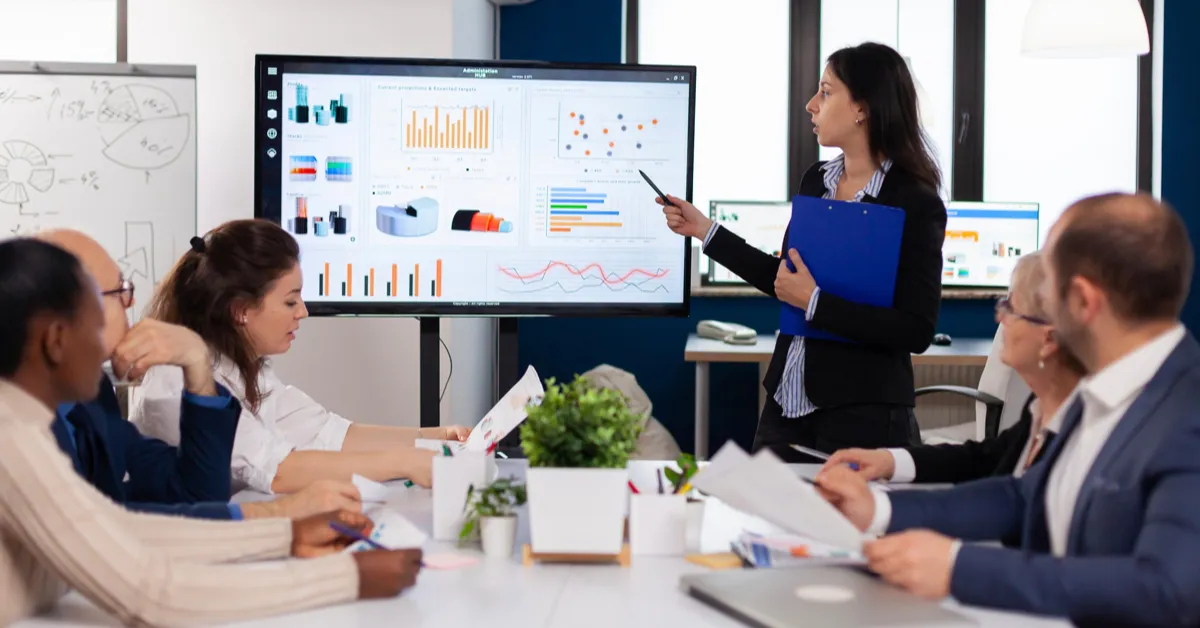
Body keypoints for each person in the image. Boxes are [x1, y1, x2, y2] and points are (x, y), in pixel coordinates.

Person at [815, 193, 1200, 625]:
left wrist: (960, 569)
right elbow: (1025, 495)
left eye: (1049, 281)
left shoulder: (1187, 415)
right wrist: (881, 510)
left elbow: (1167, 590)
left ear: (1083, 300)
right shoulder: (1101, 389)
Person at [0, 237, 422, 626]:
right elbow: (150, 591)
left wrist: (285, 534)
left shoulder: (58, 414)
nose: (131, 325)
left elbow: (111, 526)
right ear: (56, 339)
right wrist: (347, 578)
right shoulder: (11, 437)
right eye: (113, 303)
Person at [657, 42, 946, 461]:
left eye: (826, 92)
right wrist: (703, 230)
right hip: (787, 403)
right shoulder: (817, 180)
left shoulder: (914, 201)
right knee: (761, 522)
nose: (811, 105)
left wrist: (815, 303)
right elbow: (784, 279)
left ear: (862, 108)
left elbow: (917, 330)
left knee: (846, 528)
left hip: (863, 414)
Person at [36, 229, 360, 520]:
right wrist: (276, 516)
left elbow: (196, 493)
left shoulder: (93, 398)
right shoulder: (21, 421)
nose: (130, 303)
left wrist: (198, 365)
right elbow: (99, 524)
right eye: (119, 292)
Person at [130, 219, 470, 494]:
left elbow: (329, 433)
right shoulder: (177, 380)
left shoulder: (239, 366)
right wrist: (407, 461)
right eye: (291, 301)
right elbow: (279, 471)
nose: (303, 312)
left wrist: (438, 436)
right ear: (241, 310)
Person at [821, 251, 1085, 485]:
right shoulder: (1039, 408)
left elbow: (1011, 503)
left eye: (1011, 308)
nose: (1000, 318)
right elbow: (985, 458)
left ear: (1049, 337)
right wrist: (888, 461)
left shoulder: (1081, 430)